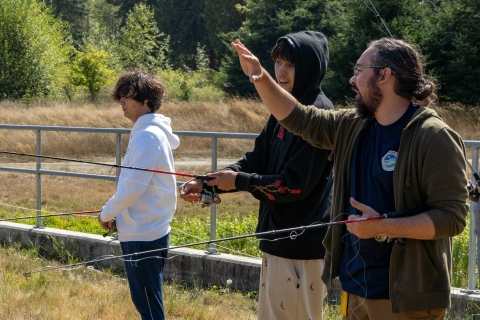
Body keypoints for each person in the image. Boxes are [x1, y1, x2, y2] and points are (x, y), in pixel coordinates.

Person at [230, 38, 468, 319]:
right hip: (355, 287)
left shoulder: (433, 136)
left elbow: (451, 218)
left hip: (407, 298)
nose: (352, 80)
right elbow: (298, 118)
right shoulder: (352, 125)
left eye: (359, 70)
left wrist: (384, 226)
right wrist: (259, 77)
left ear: (384, 75)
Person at [180, 31, 334, 320]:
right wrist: (207, 183)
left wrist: (239, 182)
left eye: (290, 63)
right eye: (277, 62)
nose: (281, 71)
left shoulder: (318, 112)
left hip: (302, 246)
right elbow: (255, 160)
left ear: (310, 66)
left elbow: (293, 186)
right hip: (277, 241)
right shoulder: (282, 108)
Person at [98, 70, 179, 320]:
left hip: (144, 232)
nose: (120, 102)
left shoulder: (147, 136)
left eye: (126, 96)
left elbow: (132, 186)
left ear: (145, 100)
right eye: (119, 96)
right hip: (145, 228)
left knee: (148, 304)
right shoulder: (147, 132)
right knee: (146, 300)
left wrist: (107, 212)